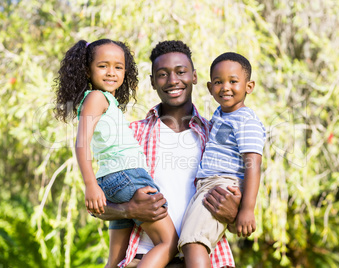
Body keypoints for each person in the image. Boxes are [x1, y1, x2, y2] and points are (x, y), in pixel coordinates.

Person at [93, 40, 241, 268]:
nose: (173, 80)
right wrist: (128, 210)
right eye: (162, 74)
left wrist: (234, 213)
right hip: (144, 258)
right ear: (152, 82)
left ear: (194, 76)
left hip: (208, 260)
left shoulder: (217, 136)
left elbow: (240, 207)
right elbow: (97, 206)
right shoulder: (131, 135)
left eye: (181, 72)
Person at [53, 38, 178, 268]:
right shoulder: (95, 98)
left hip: (116, 180)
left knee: (115, 261)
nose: (111, 72)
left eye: (118, 67)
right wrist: (90, 185)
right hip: (128, 177)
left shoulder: (106, 101)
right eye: (103, 66)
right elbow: (81, 143)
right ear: (87, 70)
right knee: (168, 242)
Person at [178, 52, 266, 267]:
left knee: (194, 242)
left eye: (233, 81)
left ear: (249, 86)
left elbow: (253, 164)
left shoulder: (246, 119)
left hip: (221, 185)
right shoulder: (221, 114)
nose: (225, 87)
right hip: (209, 184)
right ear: (209, 88)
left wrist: (247, 208)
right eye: (218, 82)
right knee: (191, 242)